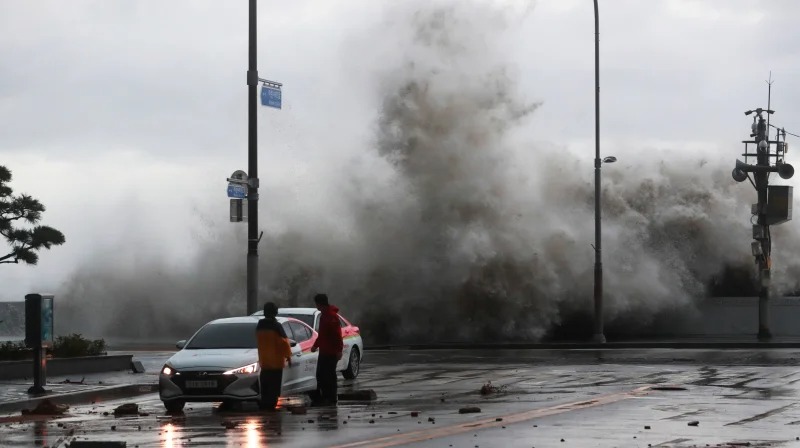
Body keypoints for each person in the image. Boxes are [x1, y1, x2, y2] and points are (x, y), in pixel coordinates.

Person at [255, 302, 292, 410]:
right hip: (276, 362)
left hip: (264, 361)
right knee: (274, 385)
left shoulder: (260, 326)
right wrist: (288, 356)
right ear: (275, 312)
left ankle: (264, 403)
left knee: (265, 384)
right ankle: (271, 405)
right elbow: (284, 342)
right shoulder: (276, 326)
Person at [310, 293, 344, 406]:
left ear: (320, 304)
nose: (316, 306)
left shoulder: (331, 316)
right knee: (321, 374)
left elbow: (337, 335)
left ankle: (331, 397)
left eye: (316, 304)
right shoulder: (324, 315)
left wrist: (339, 350)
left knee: (329, 375)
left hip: (331, 352)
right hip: (324, 351)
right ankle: (325, 396)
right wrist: (316, 345)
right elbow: (322, 335)